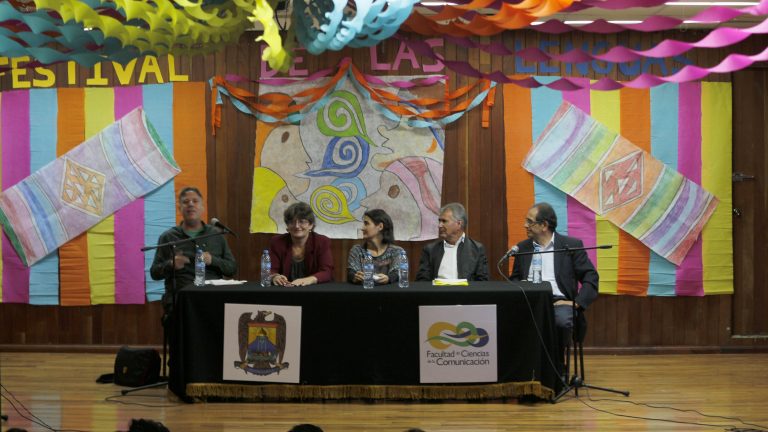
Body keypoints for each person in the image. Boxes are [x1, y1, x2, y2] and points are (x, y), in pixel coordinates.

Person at [509, 202, 599, 340]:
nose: (525, 225)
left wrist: (577, 302)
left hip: (559, 303)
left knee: (560, 322)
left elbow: (590, 276)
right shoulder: (522, 248)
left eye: (530, 222)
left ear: (544, 225)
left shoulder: (571, 246)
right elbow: (514, 279)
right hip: (529, 302)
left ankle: (556, 362)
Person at [150, 186, 237, 309]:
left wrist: (213, 260)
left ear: (202, 207)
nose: (190, 204)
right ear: (180, 208)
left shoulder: (216, 235)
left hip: (213, 300)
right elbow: (154, 273)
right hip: (180, 302)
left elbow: (232, 269)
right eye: (185, 202)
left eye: (195, 201)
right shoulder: (168, 237)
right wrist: (171, 264)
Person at [415, 202, 489, 281]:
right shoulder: (430, 250)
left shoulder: (477, 249)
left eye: (444, 221)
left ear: (459, 224)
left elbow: (483, 282)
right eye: (439, 221)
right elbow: (422, 280)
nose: (439, 225)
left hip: (465, 292)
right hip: (437, 292)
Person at [269, 202, 333, 286]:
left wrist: (308, 280)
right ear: (287, 226)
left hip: (315, 291)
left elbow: (327, 272)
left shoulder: (321, 242)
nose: (296, 226)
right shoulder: (277, 242)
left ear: (311, 225)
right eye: (292, 222)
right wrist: (275, 277)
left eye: (302, 222)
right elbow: (270, 270)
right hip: (285, 290)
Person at [347, 209, 406, 285]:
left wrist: (388, 278)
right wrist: (355, 277)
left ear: (380, 226)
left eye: (366, 223)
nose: (362, 228)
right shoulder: (357, 250)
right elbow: (351, 273)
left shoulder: (397, 251)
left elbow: (398, 273)